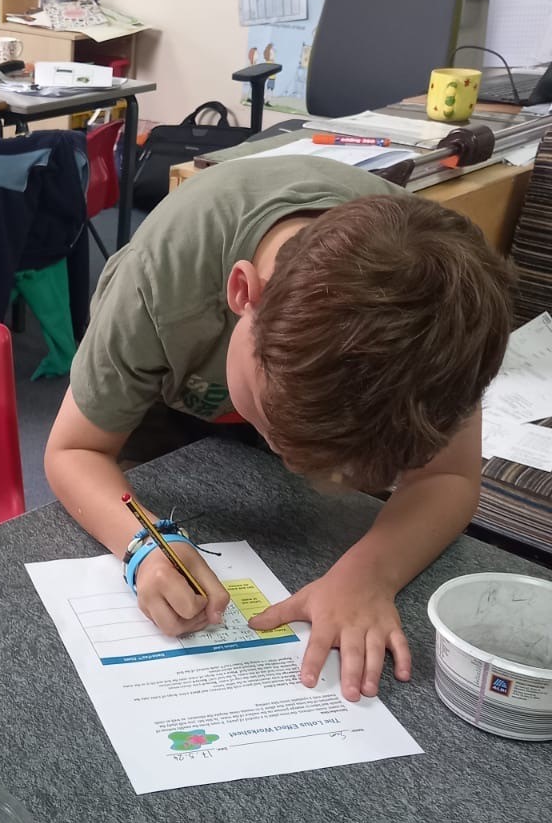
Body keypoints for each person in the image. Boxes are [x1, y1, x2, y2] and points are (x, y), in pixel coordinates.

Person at [44, 158, 512, 705]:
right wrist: (145, 545)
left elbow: (450, 477)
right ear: (244, 292)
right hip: (167, 393)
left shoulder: (448, 319)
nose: (292, 465)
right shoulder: (158, 279)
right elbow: (74, 448)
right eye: (278, 435)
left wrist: (367, 574)